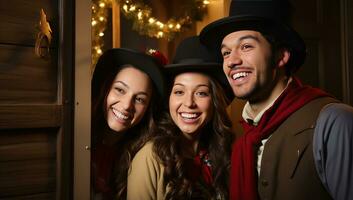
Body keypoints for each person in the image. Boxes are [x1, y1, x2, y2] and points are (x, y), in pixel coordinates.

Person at [199, 0, 353, 200]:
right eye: (226, 52)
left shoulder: (335, 121)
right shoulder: (240, 139)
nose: (231, 61)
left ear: (281, 56)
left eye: (245, 46)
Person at [126, 36, 234, 200]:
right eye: (179, 92)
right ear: (169, 98)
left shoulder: (225, 152)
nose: (189, 103)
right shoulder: (150, 157)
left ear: (215, 101)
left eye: (201, 93)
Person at [91, 48, 165, 199]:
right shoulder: (77, 138)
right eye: (120, 90)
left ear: (148, 108)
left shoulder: (145, 156)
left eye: (139, 99)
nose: (126, 105)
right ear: (106, 89)